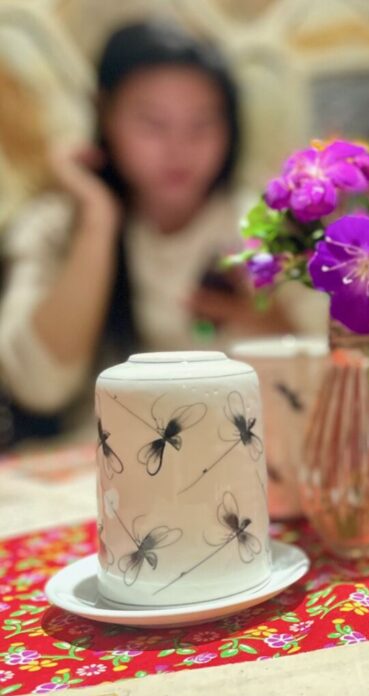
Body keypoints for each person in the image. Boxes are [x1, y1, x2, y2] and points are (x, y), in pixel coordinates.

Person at [0, 20, 322, 444]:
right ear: (104, 113)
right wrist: (98, 220)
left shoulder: (262, 228)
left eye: (202, 123)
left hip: (236, 453)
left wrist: (267, 323)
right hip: (105, 460)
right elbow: (38, 386)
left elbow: (328, 377)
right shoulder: (58, 229)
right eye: (153, 123)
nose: (179, 148)